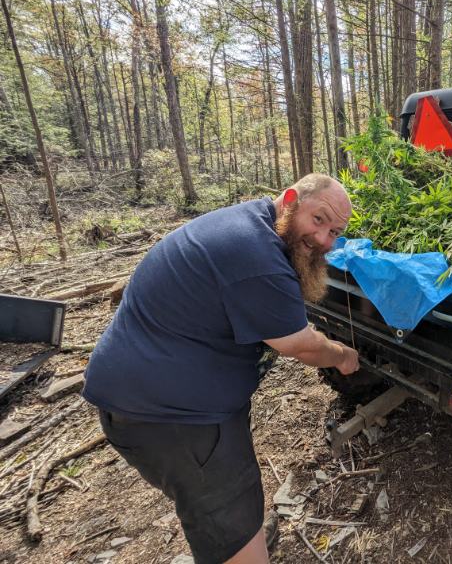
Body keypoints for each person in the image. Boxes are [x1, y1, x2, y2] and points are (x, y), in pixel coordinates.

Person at [82, 174, 360, 564]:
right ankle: (240, 542)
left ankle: (243, 530)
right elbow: (302, 345)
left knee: (226, 502)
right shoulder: (257, 256)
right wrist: (343, 355)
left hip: (155, 389)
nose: (324, 238)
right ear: (291, 199)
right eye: (319, 219)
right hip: (172, 418)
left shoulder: (252, 223)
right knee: (226, 514)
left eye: (334, 232)